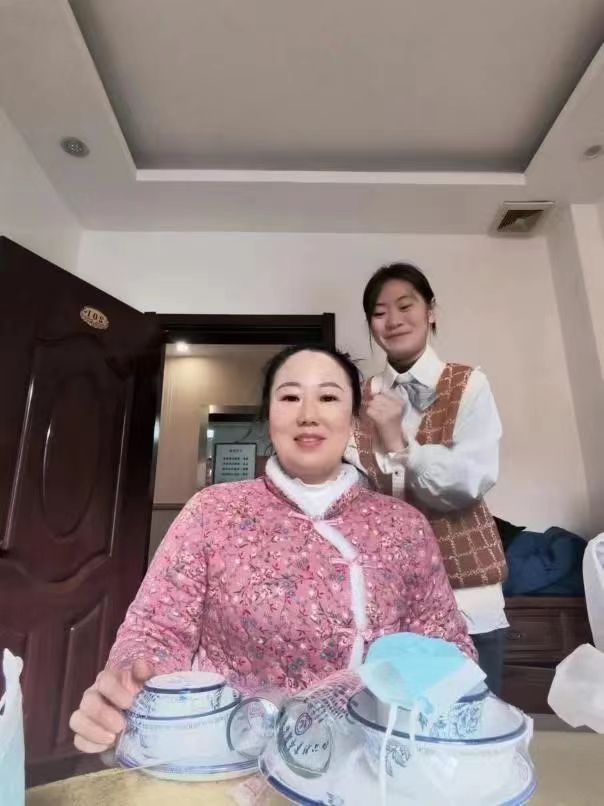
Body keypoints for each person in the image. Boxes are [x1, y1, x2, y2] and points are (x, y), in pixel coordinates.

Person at [70, 345, 475, 754]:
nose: (308, 414)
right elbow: (156, 629)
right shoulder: (213, 511)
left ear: (354, 418)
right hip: (233, 757)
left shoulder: (403, 526)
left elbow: (447, 647)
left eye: (328, 397)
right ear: (268, 416)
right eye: (290, 396)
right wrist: (130, 686)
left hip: (372, 764)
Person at [345, 263, 508, 694]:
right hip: (388, 599)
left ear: (431, 310)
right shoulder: (360, 397)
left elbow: (470, 481)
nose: (393, 320)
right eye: (379, 312)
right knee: (395, 722)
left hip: (467, 596)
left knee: (472, 719)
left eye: (406, 306)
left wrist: (402, 445)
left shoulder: (469, 384)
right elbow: (356, 492)